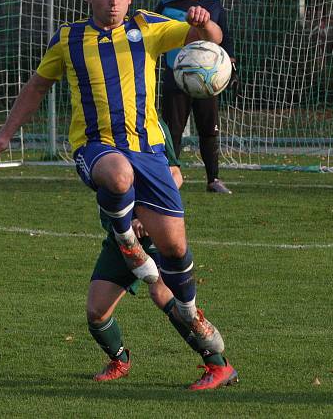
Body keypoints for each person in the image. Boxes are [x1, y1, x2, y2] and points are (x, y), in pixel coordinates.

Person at [0, 0, 236, 390]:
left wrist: (204, 21)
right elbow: (37, 87)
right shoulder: (68, 40)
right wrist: (6, 134)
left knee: (162, 262)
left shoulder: (150, 28)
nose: (113, 1)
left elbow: (212, 40)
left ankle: (208, 360)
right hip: (97, 148)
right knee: (118, 178)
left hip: (148, 157)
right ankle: (127, 241)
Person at [88, 118, 238, 389]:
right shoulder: (92, 125)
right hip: (119, 236)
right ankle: (120, 359)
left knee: (162, 292)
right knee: (96, 313)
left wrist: (145, 213)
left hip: (148, 231)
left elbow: (174, 174)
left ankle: (219, 365)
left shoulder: (152, 122)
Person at [156, 0, 235, 195]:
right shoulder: (166, 5)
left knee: (208, 129)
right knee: (172, 132)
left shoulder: (213, 4)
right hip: (175, 76)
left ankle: (214, 179)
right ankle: (168, 178)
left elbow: (225, 35)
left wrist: (231, 63)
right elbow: (154, 37)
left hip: (206, 79)